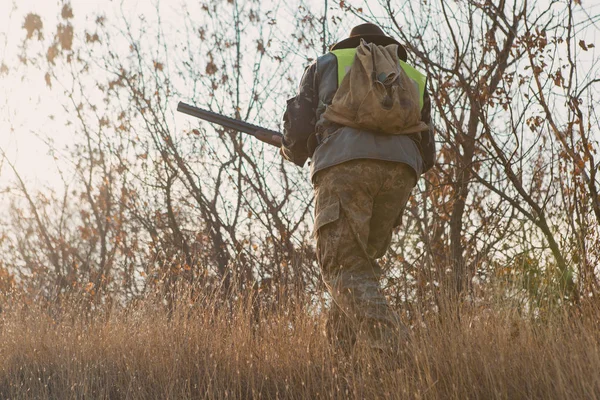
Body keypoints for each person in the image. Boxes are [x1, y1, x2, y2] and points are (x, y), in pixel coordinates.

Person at [280, 23, 435, 352]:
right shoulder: (411, 76)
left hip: (346, 168)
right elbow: (428, 152)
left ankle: (398, 351)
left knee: (342, 265)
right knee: (357, 269)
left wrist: (294, 145)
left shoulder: (326, 64)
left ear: (348, 42)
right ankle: (343, 370)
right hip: (401, 173)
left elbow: (296, 137)